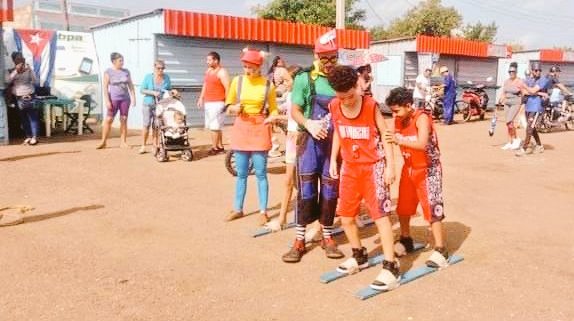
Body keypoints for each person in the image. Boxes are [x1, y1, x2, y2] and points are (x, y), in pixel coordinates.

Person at [327, 65, 400, 290]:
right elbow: (339, 133)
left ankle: (391, 266)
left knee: (380, 216)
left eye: (350, 95)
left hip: (373, 167)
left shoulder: (370, 106)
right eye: (342, 97)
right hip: (349, 167)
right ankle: (359, 255)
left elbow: (386, 136)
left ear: (357, 87)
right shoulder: (334, 105)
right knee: (346, 217)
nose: (347, 101)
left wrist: (390, 166)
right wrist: (333, 161)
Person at [282, 30, 344, 263]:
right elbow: (295, 110)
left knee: (330, 192)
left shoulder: (341, 78)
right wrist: (308, 122)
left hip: (333, 145)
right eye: (324, 58)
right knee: (306, 192)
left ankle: (327, 237)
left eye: (333, 57)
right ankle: (299, 240)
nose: (329, 63)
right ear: (316, 55)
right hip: (308, 144)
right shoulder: (304, 78)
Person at [383, 87, 450, 269]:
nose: (394, 115)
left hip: (428, 168)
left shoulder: (421, 118)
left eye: (397, 110)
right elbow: (385, 135)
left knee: (431, 208)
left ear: (408, 105)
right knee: (404, 206)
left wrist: (399, 140)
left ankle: (440, 249)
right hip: (410, 167)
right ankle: (406, 239)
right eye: (392, 111)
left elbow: (421, 143)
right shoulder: (398, 120)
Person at [225, 48, 279, 226]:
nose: (247, 70)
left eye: (251, 67)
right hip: (241, 127)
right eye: (245, 66)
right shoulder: (237, 81)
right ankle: (237, 209)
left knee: (261, 173)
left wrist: (272, 117)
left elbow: (274, 109)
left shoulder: (267, 85)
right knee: (241, 173)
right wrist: (234, 109)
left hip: (260, 128)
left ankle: (263, 211)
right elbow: (228, 105)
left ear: (259, 67)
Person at [265, 65, 301, 232]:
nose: (285, 83)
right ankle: (282, 218)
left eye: (287, 80)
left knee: (304, 183)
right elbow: (288, 113)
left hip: (300, 139)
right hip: (291, 139)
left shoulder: (301, 94)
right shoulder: (290, 94)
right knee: (289, 182)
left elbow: (295, 116)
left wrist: (277, 116)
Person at [97, 52, 136, 149]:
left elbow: (130, 85)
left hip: (125, 99)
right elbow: (105, 88)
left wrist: (133, 97)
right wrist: (107, 101)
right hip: (113, 99)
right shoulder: (108, 72)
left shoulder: (126, 71)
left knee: (124, 119)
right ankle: (103, 141)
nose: (122, 62)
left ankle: (123, 142)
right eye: (120, 61)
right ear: (114, 61)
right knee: (109, 119)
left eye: (122, 60)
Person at [197, 52, 230, 155]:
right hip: (209, 102)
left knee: (214, 126)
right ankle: (220, 146)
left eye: (209, 60)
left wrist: (227, 103)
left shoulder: (222, 72)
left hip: (218, 102)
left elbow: (228, 88)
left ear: (216, 60)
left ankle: (214, 148)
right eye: (207, 60)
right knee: (216, 126)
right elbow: (205, 85)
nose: (207, 62)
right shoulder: (209, 71)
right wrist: (201, 98)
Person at [515, 62, 549, 156]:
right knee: (531, 128)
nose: (538, 72)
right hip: (528, 106)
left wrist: (528, 88)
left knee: (529, 127)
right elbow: (524, 92)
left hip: (537, 107)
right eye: (535, 70)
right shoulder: (529, 79)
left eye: (539, 70)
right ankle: (539, 145)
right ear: (532, 71)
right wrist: (539, 93)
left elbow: (531, 90)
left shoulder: (543, 80)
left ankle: (524, 148)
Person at [139, 59, 171, 154]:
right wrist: (153, 92)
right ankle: (143, 145)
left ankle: (155, 145)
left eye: (162, 68)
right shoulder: (148, 77)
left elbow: (168, 89)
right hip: (148, 103)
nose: (160, 70)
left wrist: (172, 92)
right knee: (146, 124)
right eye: (158, 68)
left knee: (156, 126)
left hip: (160, 104)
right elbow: (142, 90)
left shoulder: (166, 78)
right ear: (154, 67)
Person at [9, 56, 39, 145]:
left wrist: (31, 70)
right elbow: (8, 80)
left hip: (29, 94)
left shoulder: (28, 70)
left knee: (32, 117)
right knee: (23, 118)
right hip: (18, 96)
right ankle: (28, 136)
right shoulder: (12, 70)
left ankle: (34, 137)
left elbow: (35, 80)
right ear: (15, 63)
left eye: (22, 62)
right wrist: (16, 71)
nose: (20, 64)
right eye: (18, 62)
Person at [498, 63, 524, 150]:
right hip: (507, 103)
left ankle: (517, 139)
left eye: (513, 71)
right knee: (508, 123)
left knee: (509, 121)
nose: (511, 73)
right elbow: (504, 92)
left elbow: (523, 93)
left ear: (516, 72)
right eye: (509, 71)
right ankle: (510, 141)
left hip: (516, 102)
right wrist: (501, 99)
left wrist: (523, 104)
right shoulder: (506, 81)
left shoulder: (520, 81)